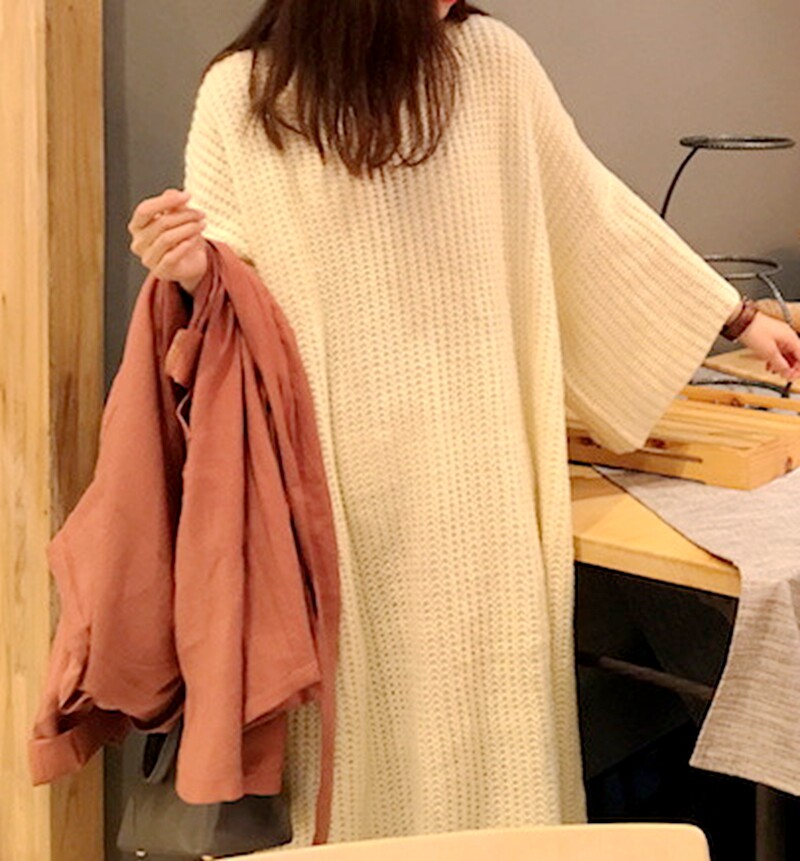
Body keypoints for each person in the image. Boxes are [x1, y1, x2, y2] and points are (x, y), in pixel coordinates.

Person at [127, 0, 800, 847]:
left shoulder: (490, 62)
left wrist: (737, 317)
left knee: (500, 744)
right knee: (357, 753)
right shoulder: (245, 95)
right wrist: (188, 268)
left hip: (485, 478)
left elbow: (590, 212)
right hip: (331, 494)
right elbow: (234, 308)